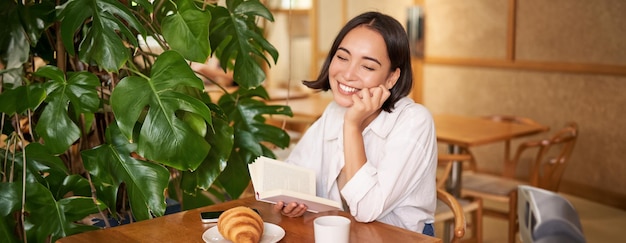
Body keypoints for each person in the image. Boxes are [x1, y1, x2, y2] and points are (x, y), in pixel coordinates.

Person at [272, 11, 438, 236]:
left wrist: (352, 126)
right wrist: (293, 199)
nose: (348, 74)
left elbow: (366, 210)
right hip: (343, 235)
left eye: (367, 67)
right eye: (342, 57)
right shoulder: (334, 111)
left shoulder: (414, 122)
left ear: (391, 77)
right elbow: (297, 170)